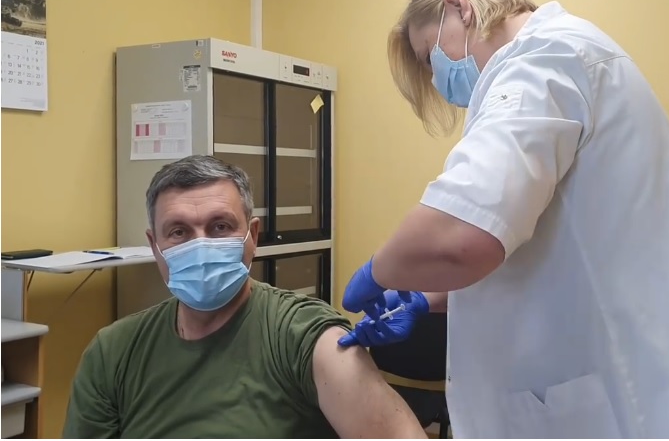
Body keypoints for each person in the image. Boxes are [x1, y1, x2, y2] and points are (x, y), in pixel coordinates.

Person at [337, 0, 669, 438]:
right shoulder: (567, 58)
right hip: (640, 389)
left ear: (460, 6)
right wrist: (426, 298)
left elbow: (460, 239)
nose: (436, 78)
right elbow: (543, 253)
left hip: (639, 408)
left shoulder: (543, 59)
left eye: (428, 55)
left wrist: (379, 271)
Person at [62, 155, 426, 439]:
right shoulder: (113, 353)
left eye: (220, 226)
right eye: (179, 232)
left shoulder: (303, 335)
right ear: (154, 245)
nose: (201, 246)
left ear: (253, 236)